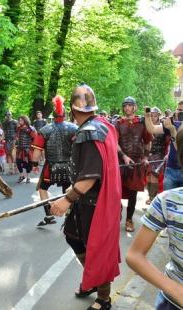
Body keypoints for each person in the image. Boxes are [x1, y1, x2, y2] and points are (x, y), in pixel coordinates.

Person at [50, 84, 121, 310]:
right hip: (88, 201)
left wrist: (66, 199)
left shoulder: (88, 133)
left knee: (97, 249)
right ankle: (93, 280)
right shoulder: (103, 125)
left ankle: (104, 298)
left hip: (94, 203)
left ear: (72, 110)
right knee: (74, 238)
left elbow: (89, 177)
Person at [126, 129, 183, 309]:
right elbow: (134, 255)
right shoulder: (168, 201)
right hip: (172, 301)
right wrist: (174, 289)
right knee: (146, 184)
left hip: (150, 160)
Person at [31, 95, 78, 226]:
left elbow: (36, 153)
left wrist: (35, 165)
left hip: (50, 168)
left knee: (42, 188)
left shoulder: (45, 130)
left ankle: (48, 215)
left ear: (53, 114)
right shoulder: (74, 129)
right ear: (65, 114)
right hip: (69, 167)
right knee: (68, 190)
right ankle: (70, 217)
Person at [115, 96, 153, 232]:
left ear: (134, 107)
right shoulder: (118, 123)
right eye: (125, 105)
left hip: (136, 163)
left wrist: (146, 157)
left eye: (129, 105)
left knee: (132, 194)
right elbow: (115, 143)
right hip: (120, 162)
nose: (127, 108)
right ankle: (116, 213)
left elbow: (148, 141)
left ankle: (129, 220)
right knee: (115, 191)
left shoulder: (142, 122)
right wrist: (124, 157)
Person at [144, 101, 183, 190]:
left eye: (182, 111)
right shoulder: (173, 124)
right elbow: (152, 129)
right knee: (168, 202)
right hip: (170, 169)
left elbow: (179, 148)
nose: (179, 113)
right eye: (178, 110)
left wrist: (173, 131)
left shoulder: (172, 127)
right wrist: (147, 115)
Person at [145, 107, 169, 204]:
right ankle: (150, 196)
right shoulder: (147, 126)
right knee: (148, 177)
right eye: (152, 115)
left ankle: (152, 199)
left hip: (158, 155)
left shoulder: (162, 127)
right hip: (148, 155)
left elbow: (168, 141)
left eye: (155, 115)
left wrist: (167, 153)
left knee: (154, 177)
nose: (153, 117)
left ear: (158, 116)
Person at [15, 115, 36, 183]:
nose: (20, 121)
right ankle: (22, 176)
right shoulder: (18, 128)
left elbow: (34, 139)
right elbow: (17, 137)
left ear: (25, 120)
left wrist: (32, 148)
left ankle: (28, 177)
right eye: (19, 120)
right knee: (18, 162)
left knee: (28, 164)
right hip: (20, 149)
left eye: (21, 120)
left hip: (28, 149)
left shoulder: (31, 128)